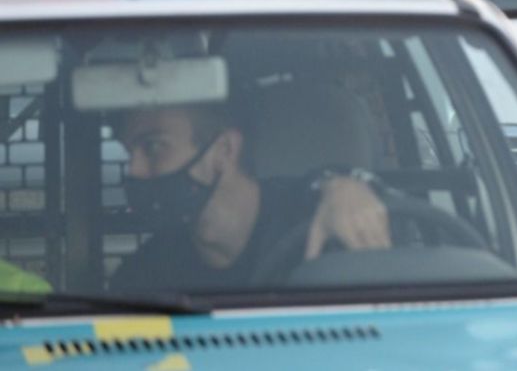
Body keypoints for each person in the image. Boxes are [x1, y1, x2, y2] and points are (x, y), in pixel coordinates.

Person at [110, 103, 390, 291]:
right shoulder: (143, 278)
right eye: (129, 153)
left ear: (225, 150)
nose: (134, 170)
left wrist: (350, 189)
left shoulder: (320, 218)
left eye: (154, 146)